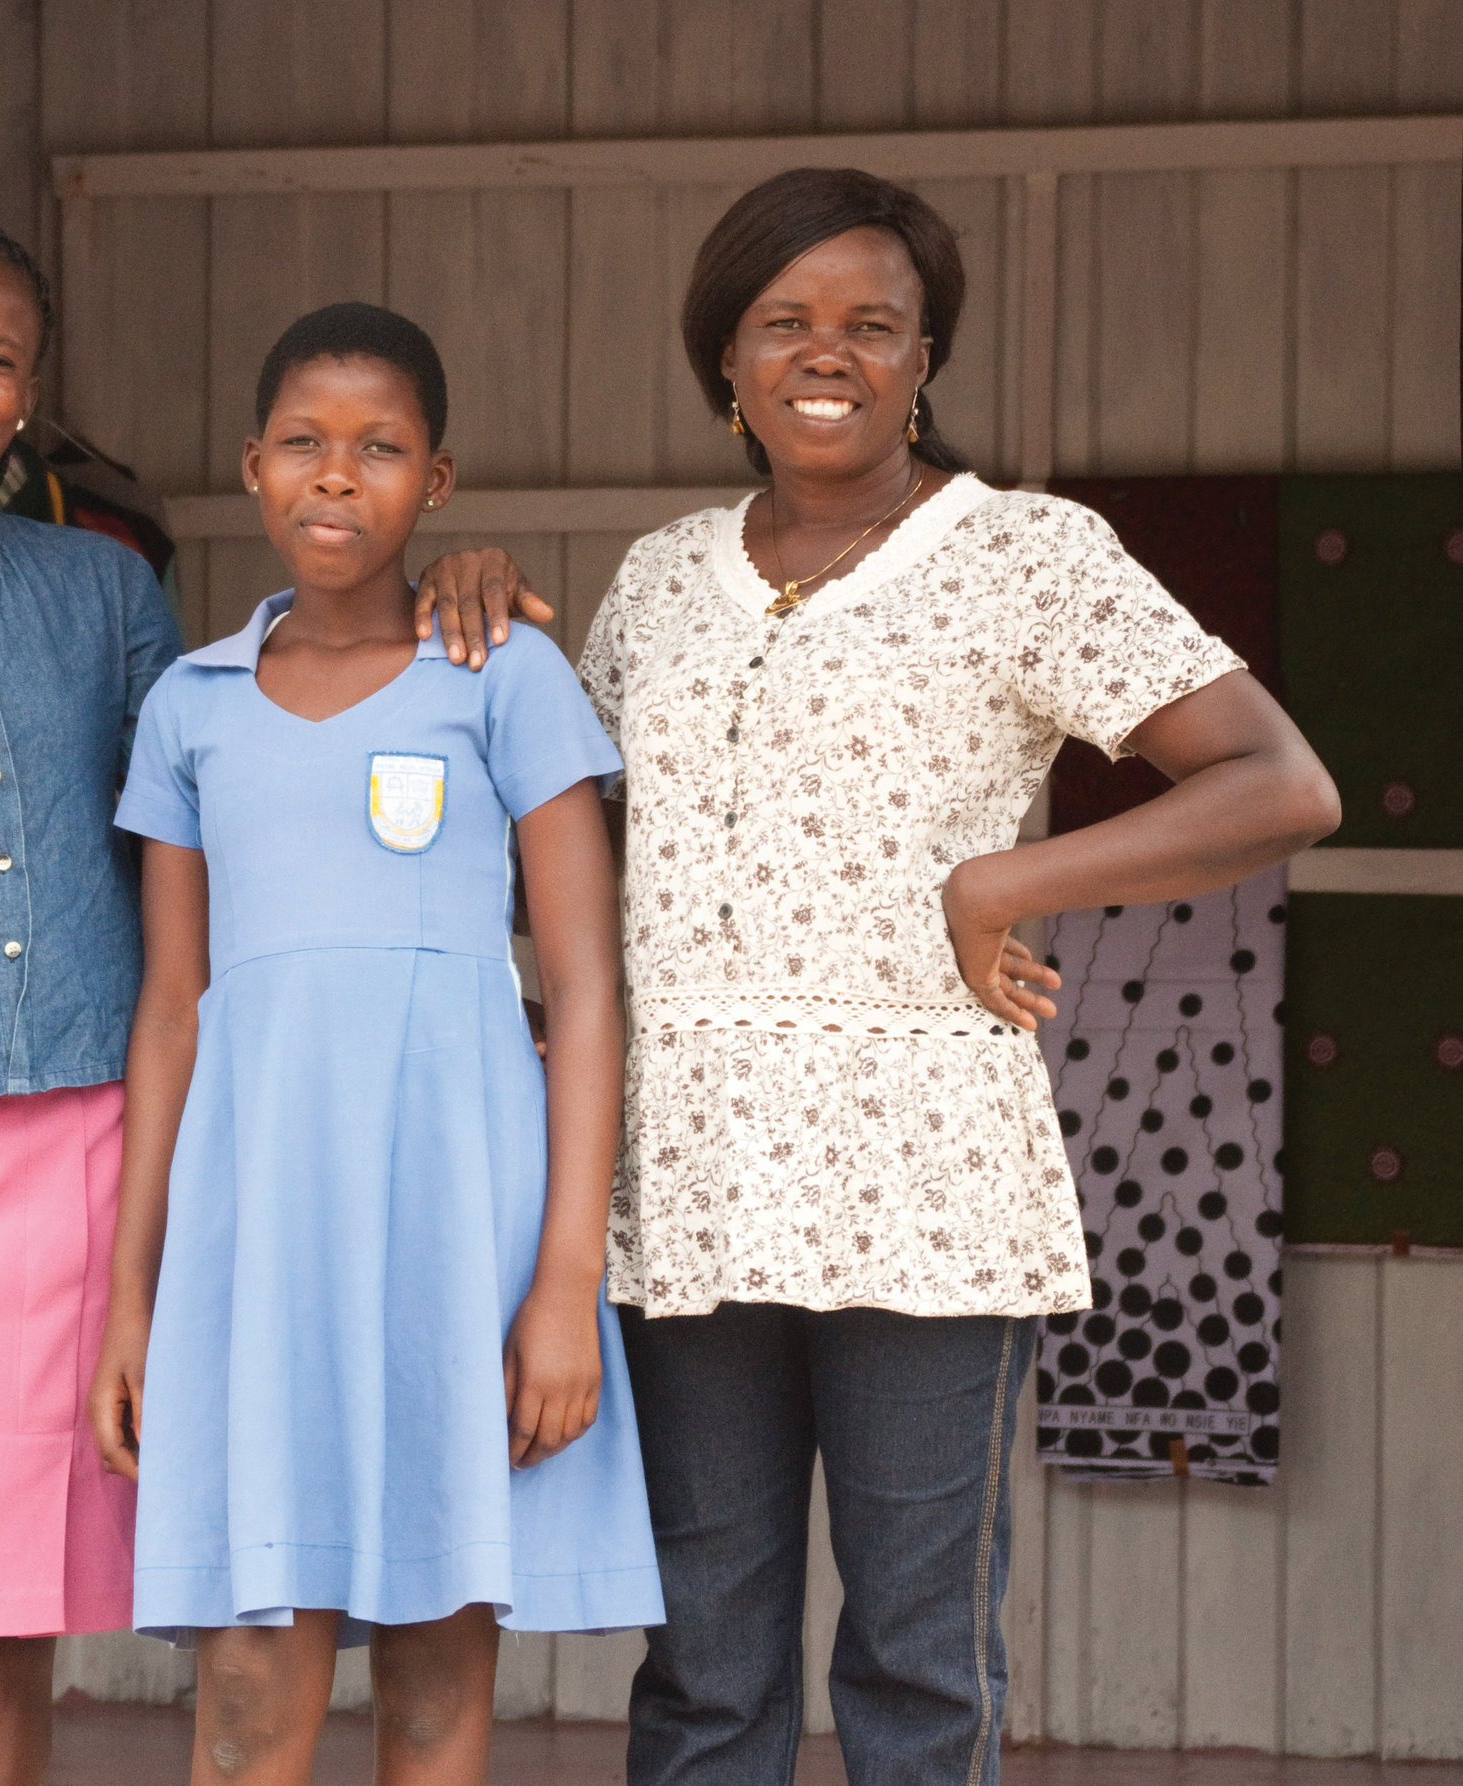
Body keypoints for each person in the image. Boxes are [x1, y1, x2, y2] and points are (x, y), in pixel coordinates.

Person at [0, 217, 547, 1786]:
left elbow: (258, 792)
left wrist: (443, 591)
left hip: (102, 1165)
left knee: (20, 1643)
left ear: (30, 391)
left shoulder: (109, 595)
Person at [554, 168, 1339, 1786]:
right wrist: (459, 620)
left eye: (871, 325)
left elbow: (1279, 782)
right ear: (728, 361)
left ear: (926, 359)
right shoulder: (654, 583)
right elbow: (570, 843)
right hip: (691, 1178)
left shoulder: (1025, 555)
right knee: (703, 1662)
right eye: (785, 323)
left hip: (925, 1184)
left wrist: (1013, 877)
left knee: (919, 1661)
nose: (825, 354)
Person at [90, 302, 665, 1786]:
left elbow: (587, 985)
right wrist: (134, 1292)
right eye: (303, 444)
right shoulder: (190, 704)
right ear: (251, 466)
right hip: (254, 1245)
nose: (336, 478)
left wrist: (563, 1281)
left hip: (454, 1243)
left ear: (441, 480)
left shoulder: (508, 682)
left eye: (380, 448)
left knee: (432, 1691)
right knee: (245, 1699)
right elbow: (171, 1007)